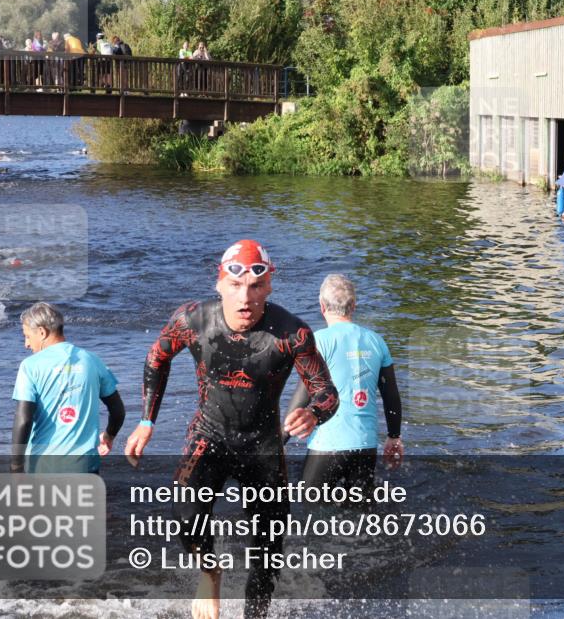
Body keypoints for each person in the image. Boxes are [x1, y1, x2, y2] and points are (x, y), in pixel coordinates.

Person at [124, 239, 339, 619]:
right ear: (219, 284)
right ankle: (211, 573)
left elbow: (326, 393)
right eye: (236, 286)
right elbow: (156, 359)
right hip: (209, 434)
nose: (246, 298)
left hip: (263, 448)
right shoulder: (192, 320)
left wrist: (314, 415)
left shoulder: (293, 333)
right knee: (185, 514)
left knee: (267, 555)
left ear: (269, 286)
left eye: (256, 287)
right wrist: (145, 422)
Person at [286, 274, 403, 493]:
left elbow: (301, 398)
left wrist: (277, 444)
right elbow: (391, 396)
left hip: (327, 445)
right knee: (361, 515)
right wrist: (394, 437)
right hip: (365, 445)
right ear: (354, 306)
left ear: (322, 306)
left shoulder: (318, 341)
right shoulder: (376, 341)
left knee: (313, 509)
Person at [11, 302, 125, 474]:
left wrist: (16, 467)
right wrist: (109, 436)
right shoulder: (92, 361)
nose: (26, 344)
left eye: (27, 336)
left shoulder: (30, 366)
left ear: (42, 332)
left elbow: (24, 419)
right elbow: (117, 411)